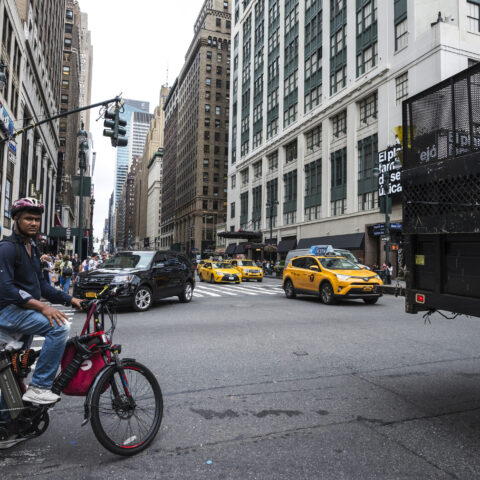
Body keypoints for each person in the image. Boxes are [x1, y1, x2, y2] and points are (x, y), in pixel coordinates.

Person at [0, 197, 82, 405]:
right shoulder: (7, 248)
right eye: (28, 218)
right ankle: (40, 386)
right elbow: (7, 290)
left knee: (15, 370)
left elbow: (43, 286)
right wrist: (43, 307)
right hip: (7, 311)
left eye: (36, 219)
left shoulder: (33, 248)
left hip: (22, 313)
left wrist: (72, 299)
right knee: (59, 327)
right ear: (16, 219)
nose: (34, 223)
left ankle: (10, 423)